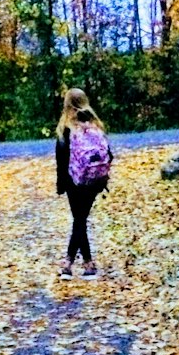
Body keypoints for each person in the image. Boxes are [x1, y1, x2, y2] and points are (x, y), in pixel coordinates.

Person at [55, 88, 112, 279]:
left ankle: (69, 264)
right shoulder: (96, 125)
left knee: (79, 220)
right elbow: (108, 154)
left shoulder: (67, 127)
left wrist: (60, 185)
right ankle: (87, 264)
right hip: (95, 181)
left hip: (74, 181)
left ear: (67, 104)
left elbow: (61, 159)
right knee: (81, 220)